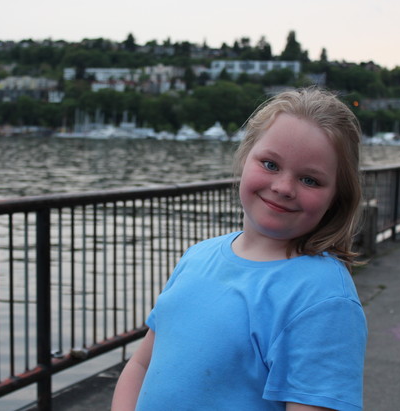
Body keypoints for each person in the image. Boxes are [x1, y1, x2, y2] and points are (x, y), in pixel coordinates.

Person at [111, 88, 367, 411]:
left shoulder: (323, 298)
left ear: (338, 197)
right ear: (245, 157)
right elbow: (141, 366)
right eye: (271, 164)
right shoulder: (197, 257)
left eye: (310, 180)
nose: (283, 187)